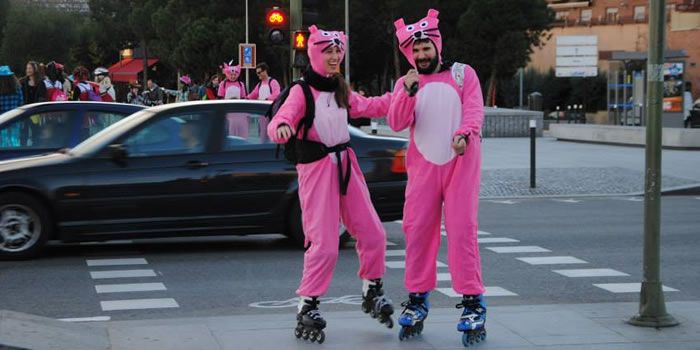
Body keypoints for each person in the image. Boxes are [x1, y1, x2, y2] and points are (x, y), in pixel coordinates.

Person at [267, 25, 394, 344]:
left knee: (373, 232)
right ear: (314, 54)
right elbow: (281, 119)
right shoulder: (301, 91)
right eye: (329, 51)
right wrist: (282, 127)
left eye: (338, 50)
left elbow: (368, 107)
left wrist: (402, 95)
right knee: (323, 242)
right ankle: (307, 304)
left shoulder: (339, 87)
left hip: (346, 165)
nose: (336, 56)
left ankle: (372, 289)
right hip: (317, 170)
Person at [387, 9, 487, 346]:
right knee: (416, 232)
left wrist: (464, 133)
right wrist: (408, 91)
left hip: (460, 164)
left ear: (437, 46)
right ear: (408, 54)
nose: (421, 55)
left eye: (426, 48)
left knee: (461, 232)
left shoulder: (462, 74)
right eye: (415, 51)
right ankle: (417, 299)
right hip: (424, 169)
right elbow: (396, 121)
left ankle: (473, 303)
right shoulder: (407, 84)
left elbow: (474, 108)